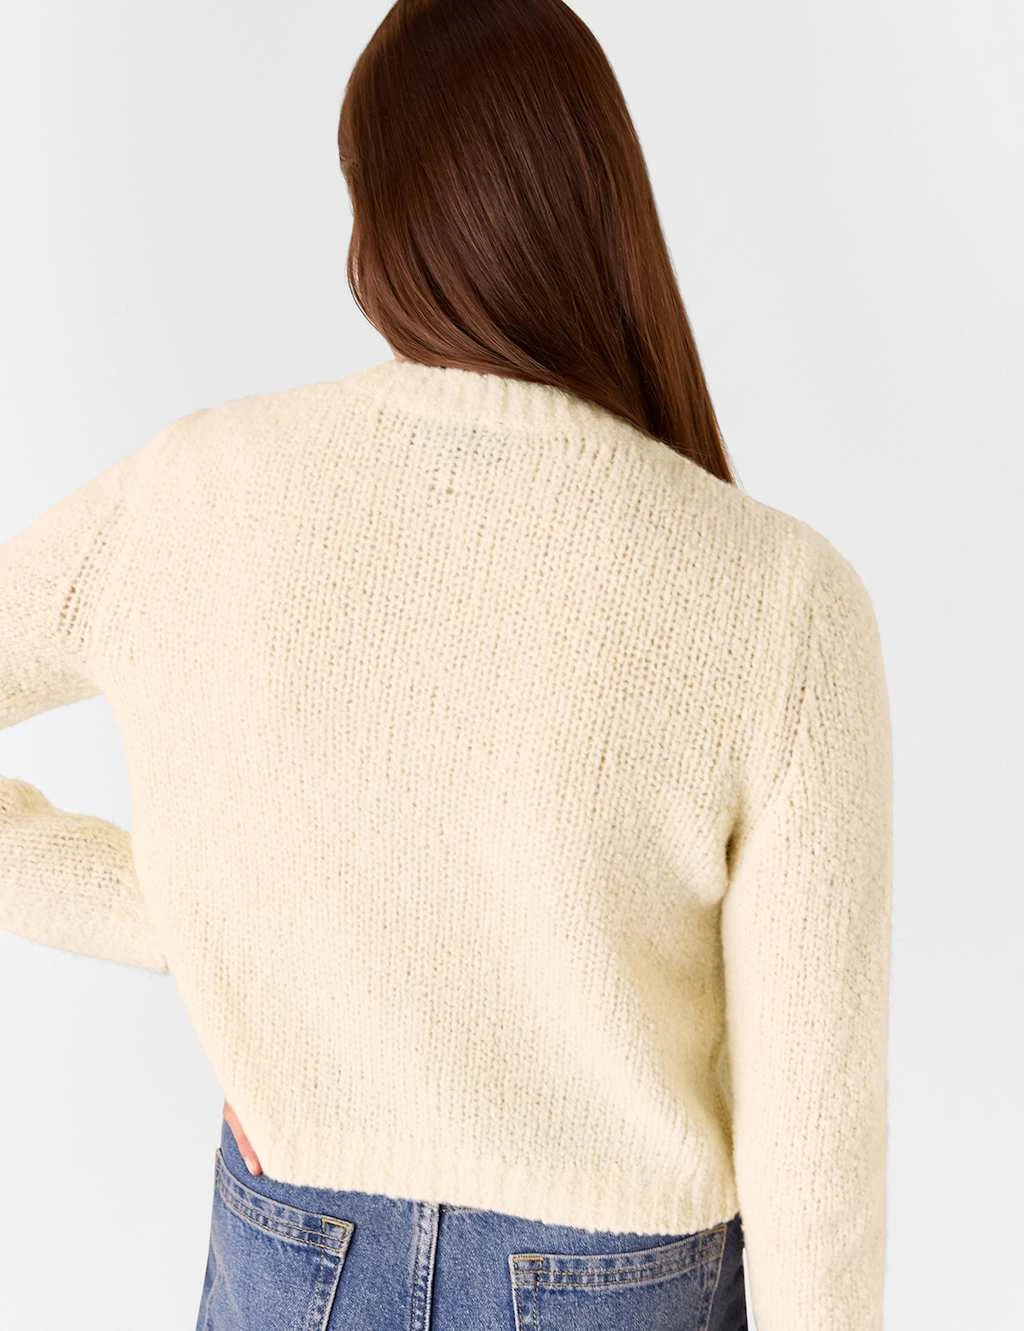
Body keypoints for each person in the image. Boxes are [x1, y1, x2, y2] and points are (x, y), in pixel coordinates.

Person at [0, 3, 893, 1329]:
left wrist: (199, 916)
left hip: (295, 1245)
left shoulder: (195, 492)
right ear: (603, 212)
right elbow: (813, 1150)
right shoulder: (780, 596)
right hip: (618, 1282)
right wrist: (194, 912)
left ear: (374, 224)